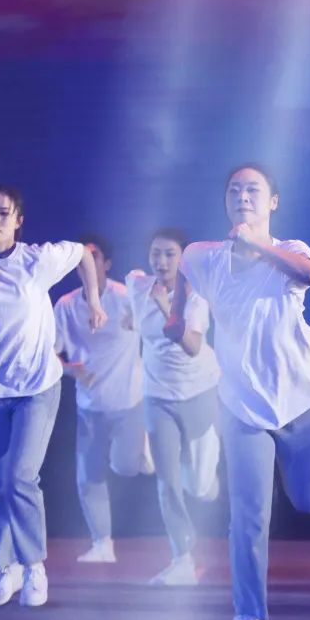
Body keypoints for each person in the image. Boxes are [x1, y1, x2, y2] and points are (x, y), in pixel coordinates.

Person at [167, 165, 310, 620]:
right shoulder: (202, 256)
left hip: (299, 397)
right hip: (241, 403)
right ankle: (248, 616)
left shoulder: (292, 250)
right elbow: (183, 280)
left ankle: (290, 476)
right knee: (248, 516)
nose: (243, 196)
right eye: (234, 190)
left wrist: (256, 245)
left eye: (253, 190)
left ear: (273, 202)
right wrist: (176, 318)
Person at [0, 186, 105, 607]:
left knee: (20, 478)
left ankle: (34, 567)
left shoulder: (36, 260)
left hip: (36, 388)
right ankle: (6, 568)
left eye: (2, 213)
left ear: (18, 221)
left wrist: (93, 300)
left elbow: (83, 254)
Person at [126, 228, 221, 586]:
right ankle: (182, 558)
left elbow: (193, 347)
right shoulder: (137, 284)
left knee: (197, 485)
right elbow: (132, 315)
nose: (161, 261)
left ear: (183, 260)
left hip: (199, 390)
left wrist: (165, 306)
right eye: (156, 253)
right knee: (167, 481)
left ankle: (206, 482)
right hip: (157, 395)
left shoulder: (196, 297)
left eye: (169, 254)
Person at [54, 234, 149, 565]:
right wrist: (71, 370)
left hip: (129, 402)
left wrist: (140, 310)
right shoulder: (66, 306)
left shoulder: (125, 297)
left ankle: (145, 446)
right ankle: (102, 544)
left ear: (106, 264)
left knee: (125, 467)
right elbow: (50, 354)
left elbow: (157, 330)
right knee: (88, 477)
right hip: (90, 405)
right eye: (80, 260)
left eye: (92, 258)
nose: (86, 265)